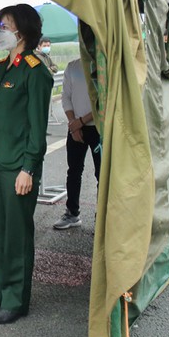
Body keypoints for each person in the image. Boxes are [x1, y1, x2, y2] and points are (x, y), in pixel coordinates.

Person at [0, 4, 53, 325]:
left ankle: (15, 299)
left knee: (16, 234)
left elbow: (37, 125)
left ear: (22, 31)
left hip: (18, 166)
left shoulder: (35, 71)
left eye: (4, 25)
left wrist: (28, 168)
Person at [53, 59, 101, 230]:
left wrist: (80, 122)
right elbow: (66, 97)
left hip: (99, 128)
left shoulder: (103, 65)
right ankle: (72, 213)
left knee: (102, 175)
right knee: (73, 171)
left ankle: (102, 219)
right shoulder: (72, 66)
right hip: (75, 128)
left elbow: (103, 102)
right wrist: (74, 123)